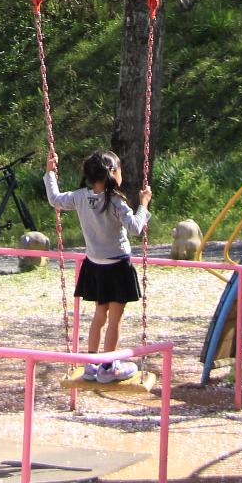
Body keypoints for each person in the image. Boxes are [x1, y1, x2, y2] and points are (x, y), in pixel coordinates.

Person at [44, 148, 151, 381]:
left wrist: (50, 172)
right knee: (115, 318)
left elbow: (54, 199)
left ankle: (92, 365)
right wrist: (144, 204)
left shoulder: (80, 197)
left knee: (100, 314)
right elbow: (136, 228)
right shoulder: (116, 202)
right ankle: (109, 367)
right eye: (119, 169)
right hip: (118, 266)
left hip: (94, 266)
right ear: (112, 173)